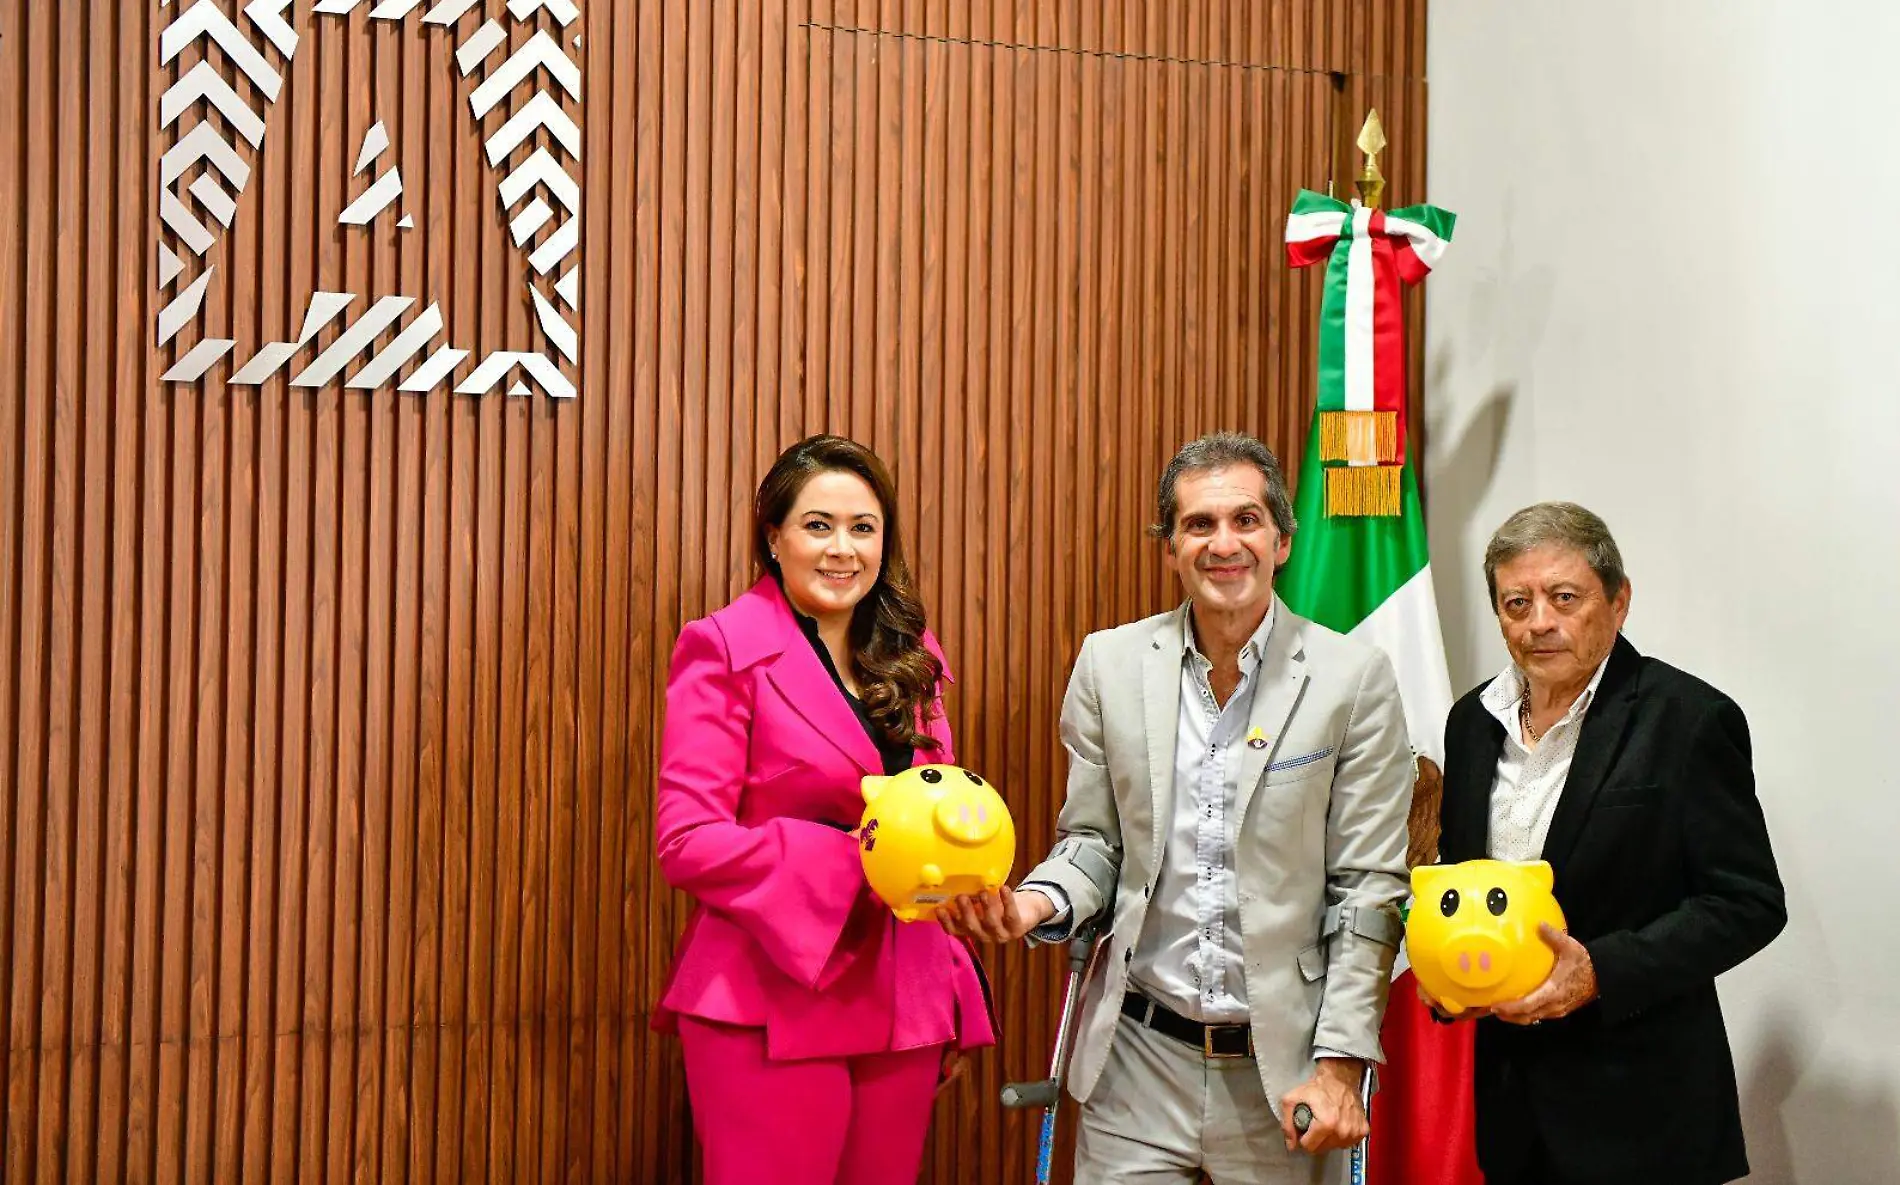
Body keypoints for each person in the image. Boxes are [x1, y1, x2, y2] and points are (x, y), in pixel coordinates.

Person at [939, 431, 1413, 1183]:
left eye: (1246, 520)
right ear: (1170, 548)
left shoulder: (1352, 678)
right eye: (1199, 524)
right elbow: (1094, 841)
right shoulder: (1110, 664)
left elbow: (1368, 891)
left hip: (1285, 1071)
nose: (1224, 544)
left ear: (1284, 541)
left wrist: (1341, 1064)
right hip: (1137, 1062)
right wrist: (1034, 903)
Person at [653, 434, 995, 1185]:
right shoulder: (722, 646)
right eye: (818, 525)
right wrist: (859, 857)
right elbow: (687, 840)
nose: (843, 549)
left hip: (905, 991)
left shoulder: (911, 651)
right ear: (773, 536)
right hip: (766, 992)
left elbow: (936, 815)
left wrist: (954, 976)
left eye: (863, 528)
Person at [1429, 501, 1786, 1185]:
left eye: (1564, 597)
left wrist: (1600, 971)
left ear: (1618, 601)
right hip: (1511, 1110)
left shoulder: (1688, 719)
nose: (1539, 621)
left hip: (1643, 1113)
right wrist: (1448, 968)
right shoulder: (1471, 722)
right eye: (1516, 602)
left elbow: (1749, 903)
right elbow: (1462, 878)